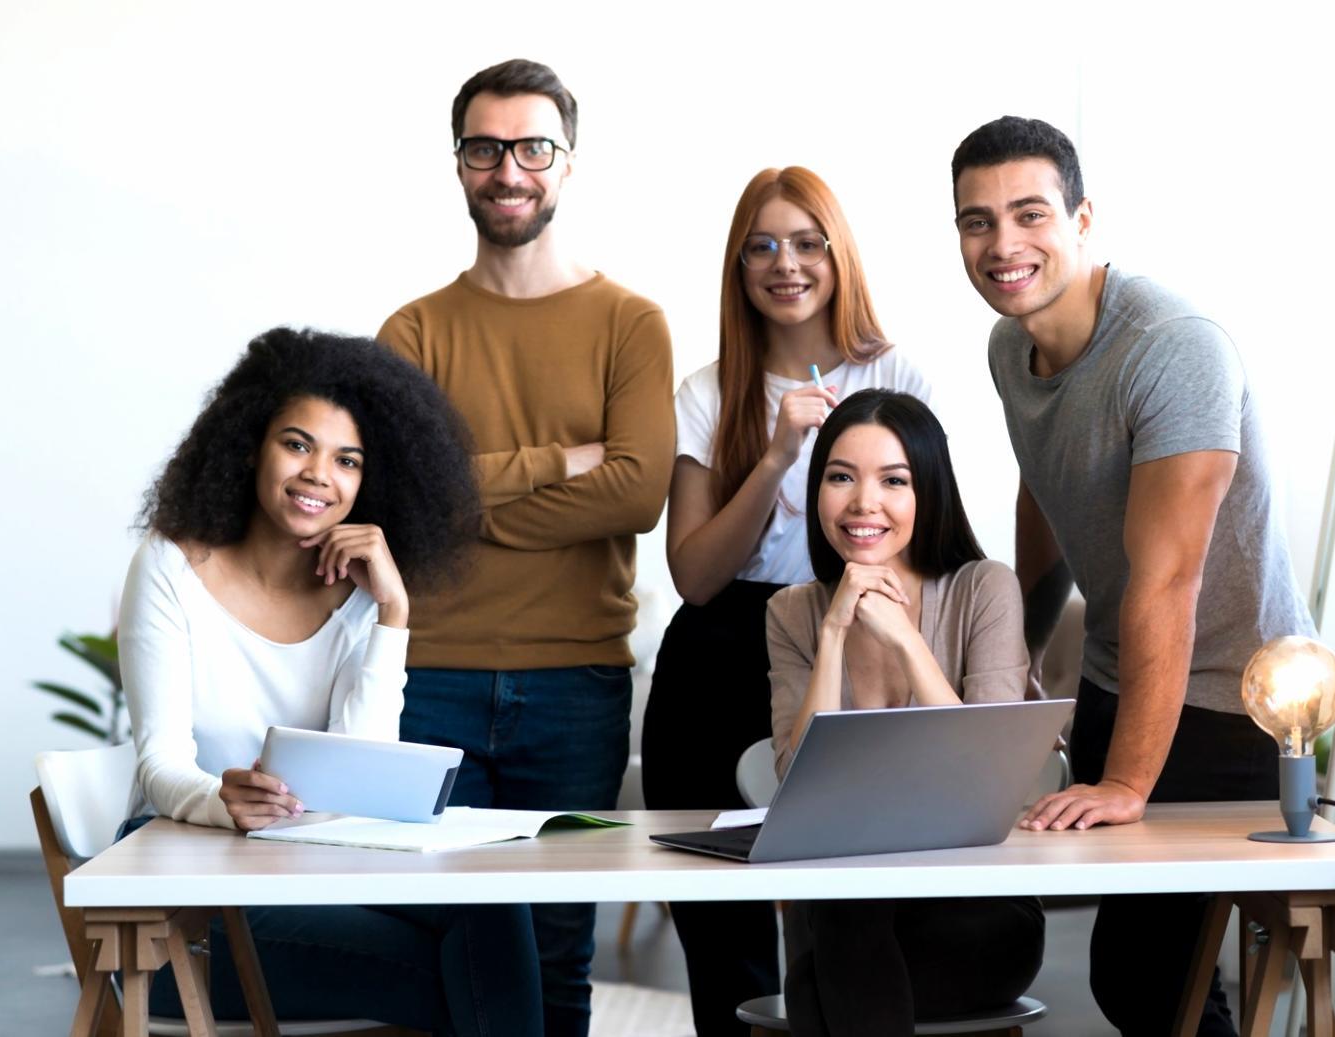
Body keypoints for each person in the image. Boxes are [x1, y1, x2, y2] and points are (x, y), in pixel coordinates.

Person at [951, 115, 1315, 1035]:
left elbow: (1170, 581)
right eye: (977, 221)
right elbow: (1047, 495)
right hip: (1122, 675)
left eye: (1029, 214)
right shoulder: (1010, 348)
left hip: (1235, 700)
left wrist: (1127, 786)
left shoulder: (1172, 348)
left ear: (1082, 219)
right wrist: (1019, 658)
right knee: (1151, 983)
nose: (1004, 245)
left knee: (1149, 977)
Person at [118, 327, 543, 1037]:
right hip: (182, 904)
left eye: (347, 459)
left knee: (493, 904)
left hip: (312, 869)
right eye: (297, 444)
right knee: (463, 979)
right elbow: (160, 761)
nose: (320, 473)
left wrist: (392, 613)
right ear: (250, 443)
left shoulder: (358, 598)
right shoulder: (171, 566)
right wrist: (223, 799)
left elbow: (358, 771)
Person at [375, 57, 674, 1037]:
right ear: (458, 163)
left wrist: (466, 486)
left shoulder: (631, 323)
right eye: (486, 147)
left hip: (576, 683)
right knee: (450, 933)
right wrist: (560, 462)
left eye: (532, 146)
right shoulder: (412, 332)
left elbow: (634, 493)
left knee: (555, 940)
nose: (510, 169)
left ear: (568, 162)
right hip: (434, 676)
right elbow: (402, 502)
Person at [639, 166, 931, 1035]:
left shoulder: (899, 371)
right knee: (721, 931)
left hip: (848, 634)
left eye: (807, 242)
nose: (785, 262)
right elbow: (693, 576)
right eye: (761, 245)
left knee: (841, 923)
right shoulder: (705, 389)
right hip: (717, 653)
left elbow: (934, 530)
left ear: (839, 255)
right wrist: (773, 456)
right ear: (737, 268)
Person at [764, 389, 1045, 1037]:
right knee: (843, 924)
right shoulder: (793, 613)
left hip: (978, 908)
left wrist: (905, 639)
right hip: (849, 911)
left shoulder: (984, 588)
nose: (864, 502)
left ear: (930, 492)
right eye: (841, 477)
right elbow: (794, 782)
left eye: (894, 480)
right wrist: (835, 631)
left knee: (817, 978)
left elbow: (986, 778)